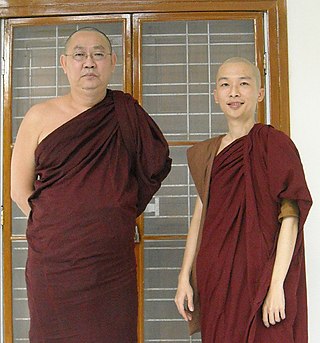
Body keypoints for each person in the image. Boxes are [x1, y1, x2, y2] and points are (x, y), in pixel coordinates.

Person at [11, 27, 171, 343]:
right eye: (80, 55)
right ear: (64, 63)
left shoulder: (126, 113)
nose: (89, 63)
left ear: (112, 62)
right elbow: (19, 189)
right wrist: (57, 226)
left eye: (98, 54)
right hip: (54, 263)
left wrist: (114, 214)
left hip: (110, 264)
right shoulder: (38, 116)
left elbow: (154, 167)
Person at [175, 57, 312, 342]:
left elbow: (291, 216)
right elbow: (200, 216)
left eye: (244, 84)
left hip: (262, 275)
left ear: (259, 93)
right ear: (215, 94)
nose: (234, 92)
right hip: (217, 275)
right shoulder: (209, 153)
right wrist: (184, 276)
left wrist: (277, 285)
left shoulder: (273, 144)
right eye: (225, 84)